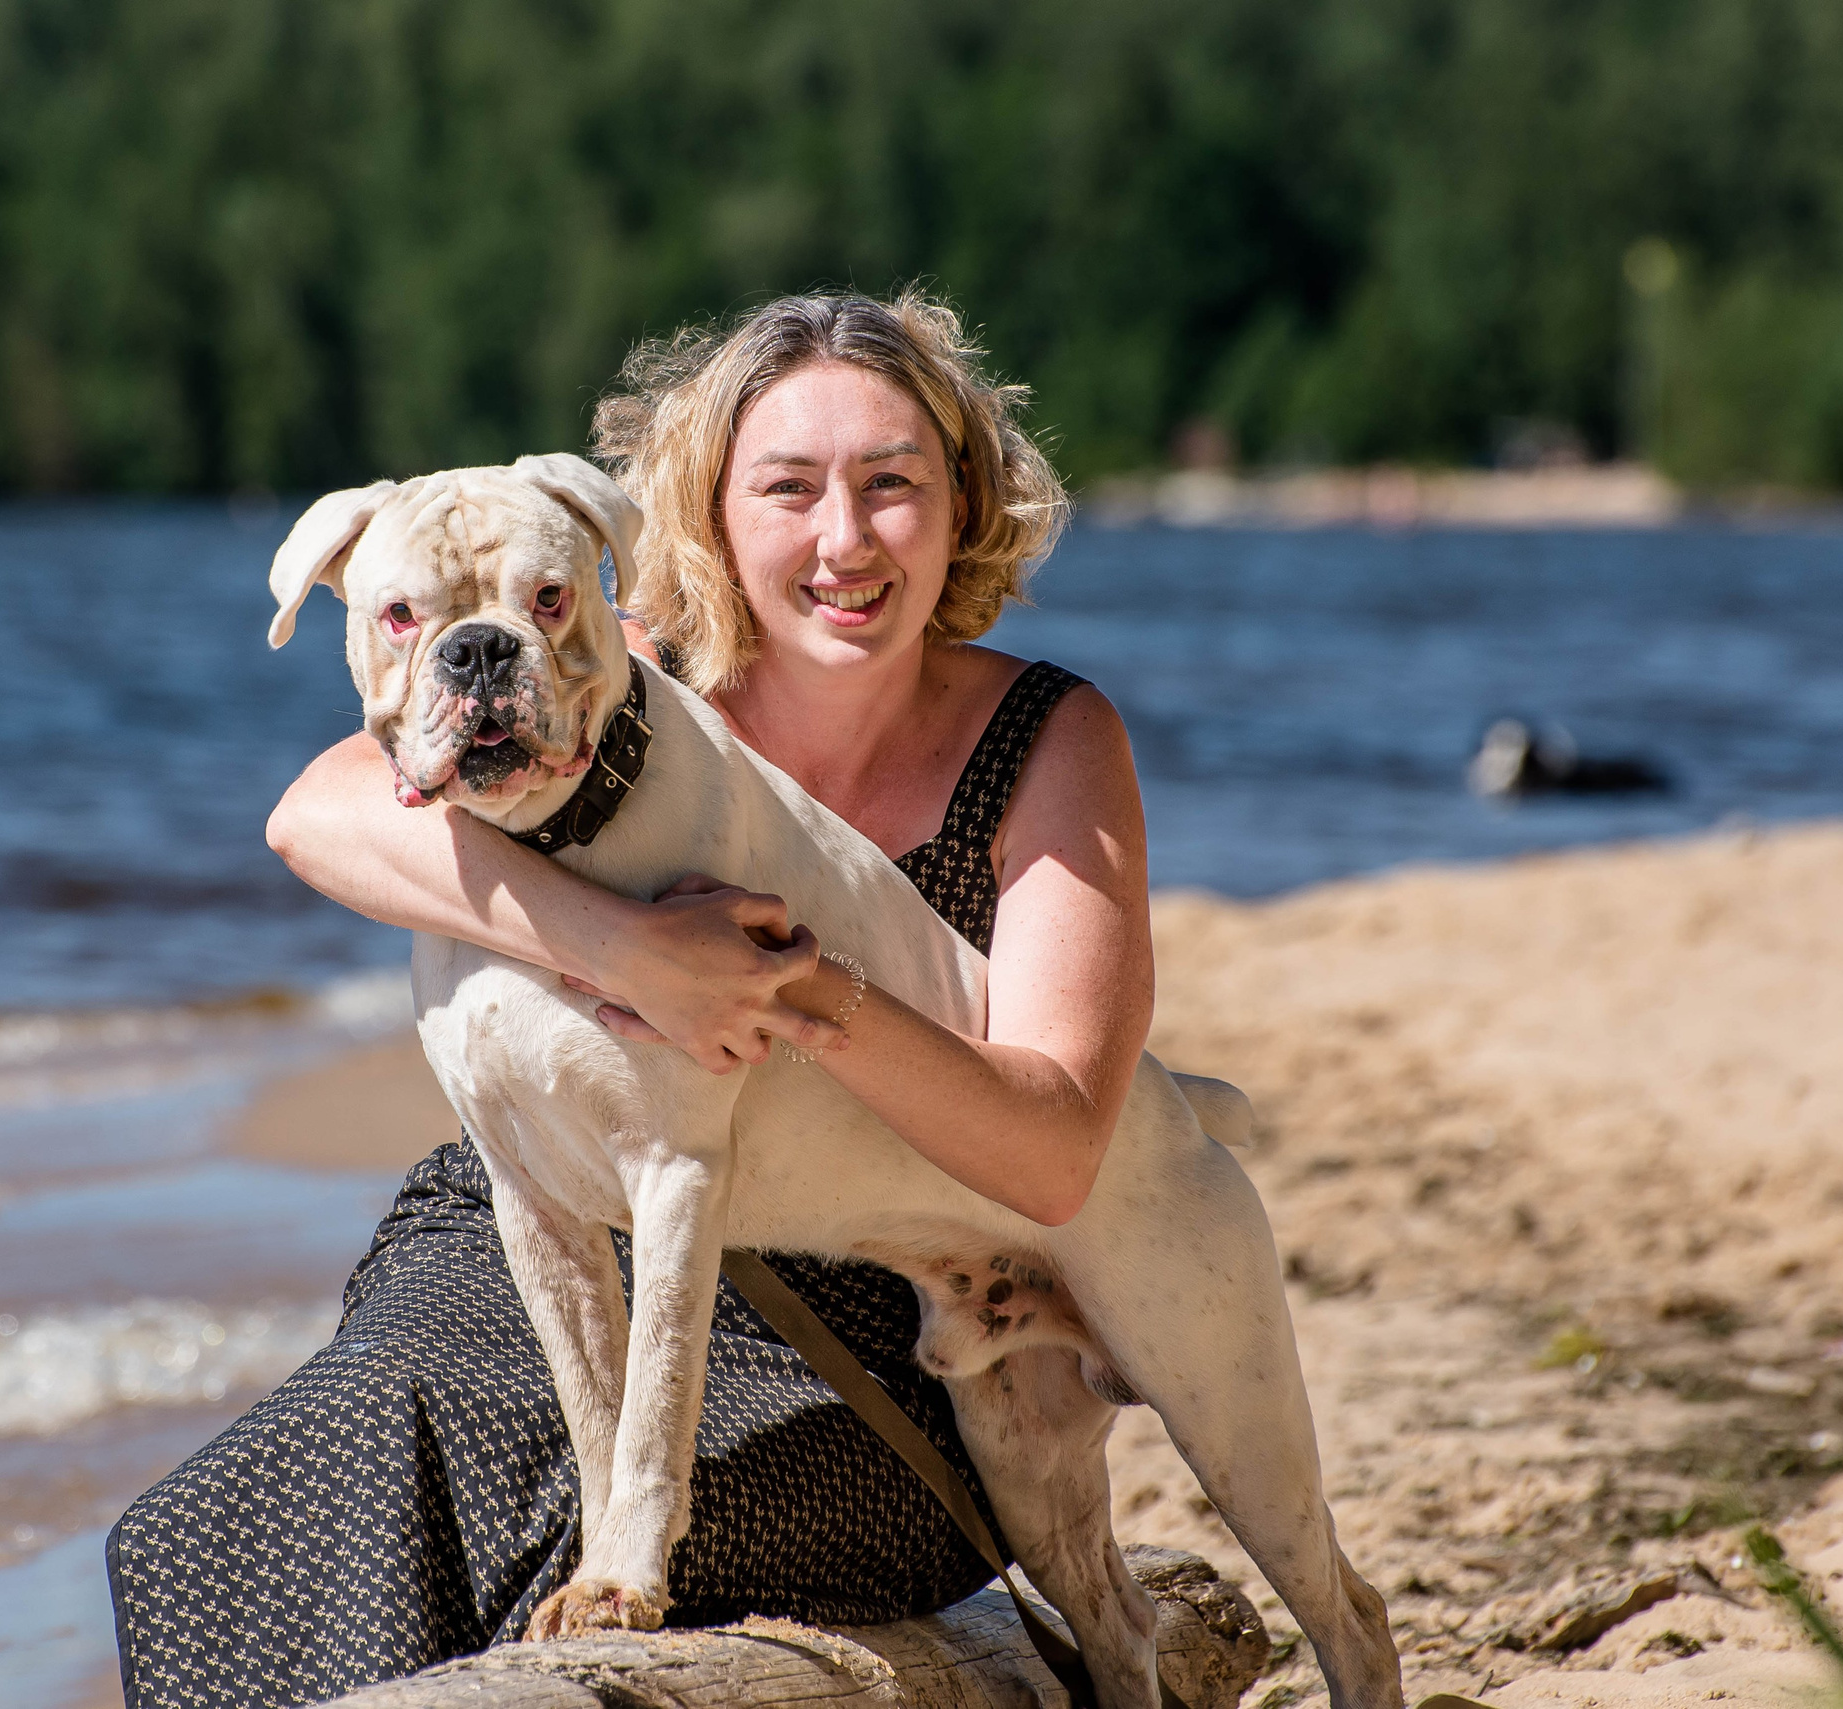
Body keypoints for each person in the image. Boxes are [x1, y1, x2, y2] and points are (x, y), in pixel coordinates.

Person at [107, 290, 1153, 1709]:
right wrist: (629, 950)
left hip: (877, 1332)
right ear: (708, 513)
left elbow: (1058, 1151)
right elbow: (320, 813)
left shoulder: (1044, 743)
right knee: (311, 1455)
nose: (841, 540)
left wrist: (798, 987)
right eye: (787, 489)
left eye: (890, 484)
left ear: (965, 498)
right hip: (527, 1208)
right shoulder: (621, 668)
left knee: (524, 1504)